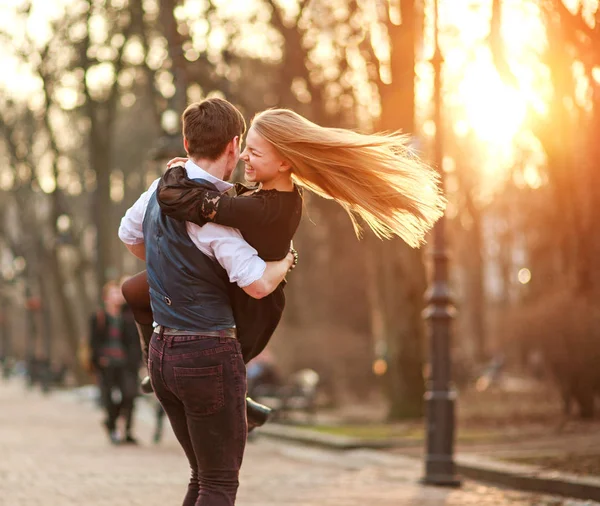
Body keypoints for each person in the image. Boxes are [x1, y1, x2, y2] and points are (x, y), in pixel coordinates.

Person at [123, 106, 446, 429]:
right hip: (237, 286)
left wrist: (178, 174)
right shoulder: (278, 196)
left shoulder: (262, 209)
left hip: (251, 305)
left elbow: (181, 201)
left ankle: (231, 399)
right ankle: (165, 370)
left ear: (284, 162)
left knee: (211, 358)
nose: (244, 157)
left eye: (255, 152)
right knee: (134, 289)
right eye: (246, 148)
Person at [118, 97, 295, 505]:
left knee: (203, 478)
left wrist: (170, 265)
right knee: (218, 484)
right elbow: (256, 284)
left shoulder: (156, 191)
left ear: (186, 140)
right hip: (207, 354)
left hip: (161, 354)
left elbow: (130, 236)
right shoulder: (217, 222)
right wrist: (286, 260)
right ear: (234, 145)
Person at [89, 280, 141, 445]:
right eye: (113, 293)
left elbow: (133, 342)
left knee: (129, 394)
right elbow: (94, 342)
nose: (117, 297)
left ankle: (127, 431)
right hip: (106, 363)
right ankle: (112, 427)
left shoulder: (128, 317)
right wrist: (99, 359)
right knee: (109, 399)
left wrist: (135, 360)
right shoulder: (99, 317)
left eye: (118, 293)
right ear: (106, 298)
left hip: (125, 363)